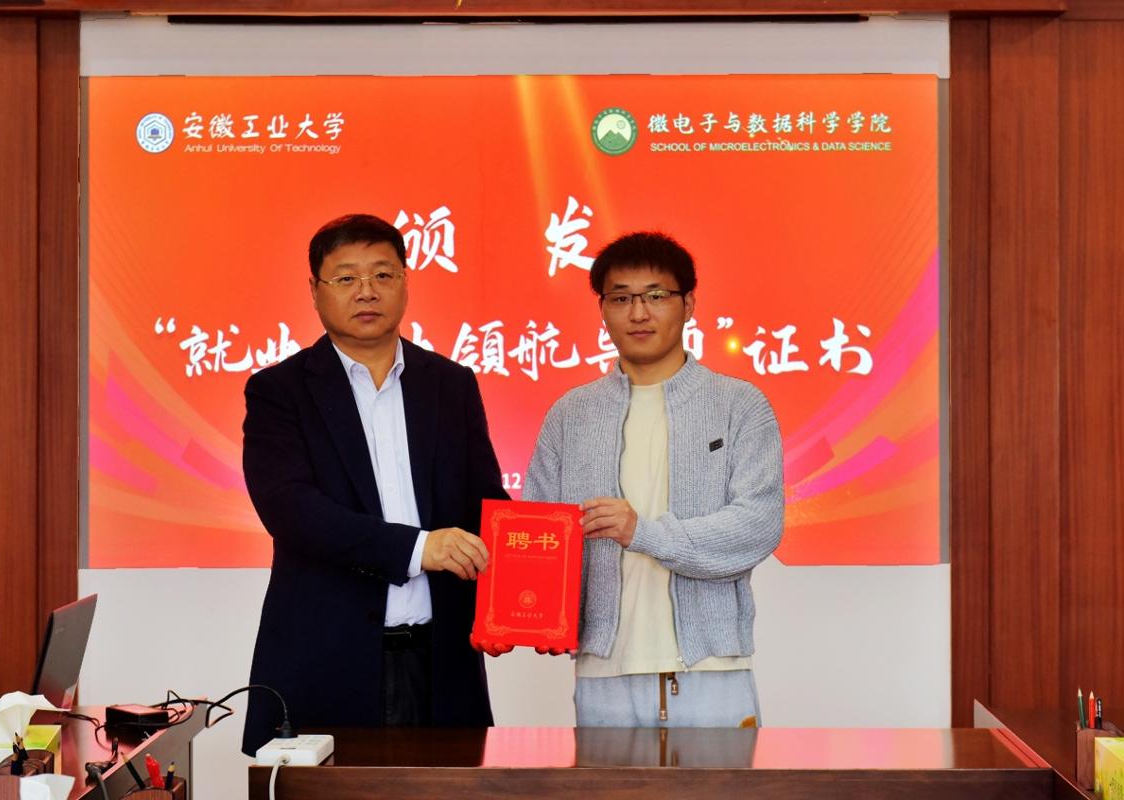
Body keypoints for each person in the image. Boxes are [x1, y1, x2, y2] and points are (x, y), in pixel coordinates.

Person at [241, 213, 505, 755]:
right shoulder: (279, 391)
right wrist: (420, 548)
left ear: (405, 283)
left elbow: (485, 504)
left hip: (441, 665)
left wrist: (521, 603)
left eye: (383, 275)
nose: (367, 291)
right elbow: (292, 511)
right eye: (346, 278)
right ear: (314, 290)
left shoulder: (451, 384)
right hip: (328, 663)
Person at [512, 231, 784, 727]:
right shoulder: (571, 414)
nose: (638, 313)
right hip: (604, 670)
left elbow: (758, 524)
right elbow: (538, 530)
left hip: (712, 667)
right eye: (621, 298)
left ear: (689, 304)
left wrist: (644, 532)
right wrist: (530, 615)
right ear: (603, 310)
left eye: (656, 296)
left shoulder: (739, 405)